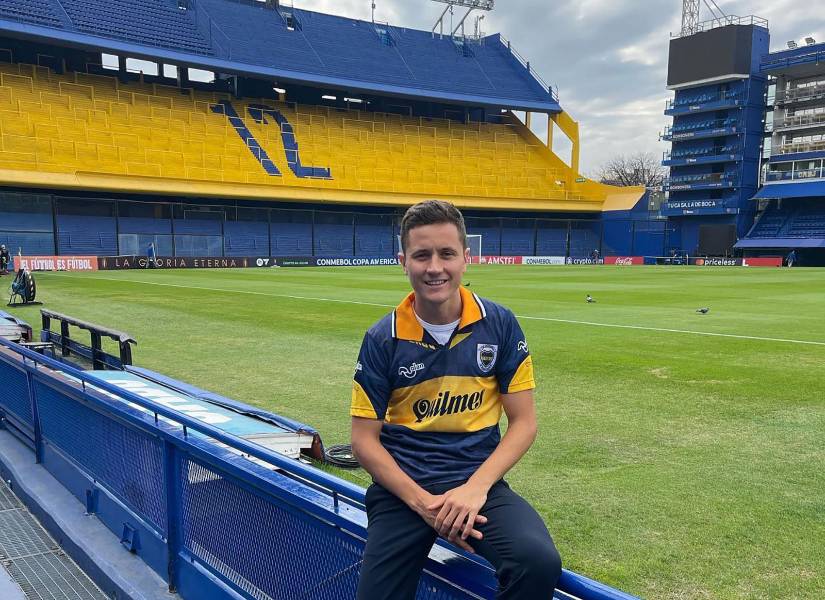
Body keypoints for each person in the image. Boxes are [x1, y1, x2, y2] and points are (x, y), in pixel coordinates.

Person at [351, 200, 561, 600]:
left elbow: (524, 422)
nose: (434, 267)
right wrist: (423, 504)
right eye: (421, 255)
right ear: (403, 261)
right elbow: (363, 440)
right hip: (403, 490)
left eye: (446, 254)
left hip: (476, 484)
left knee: (537, 563)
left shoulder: (499, 324)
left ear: (466, 258)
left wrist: (476, 488)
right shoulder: (383, 338)